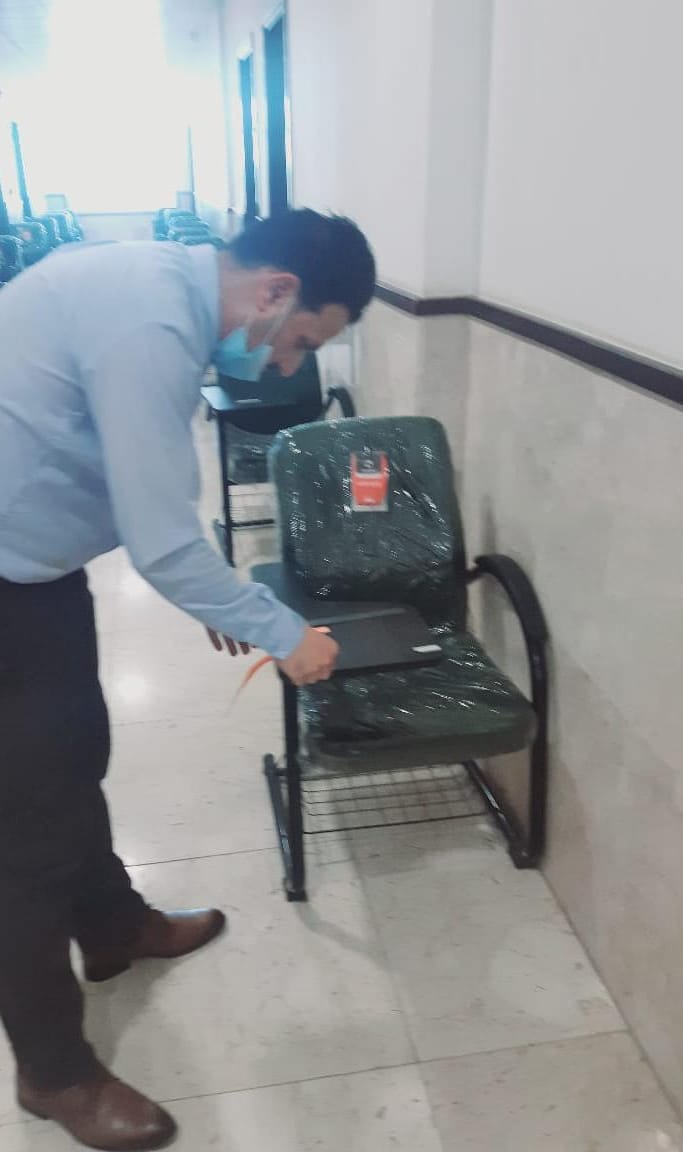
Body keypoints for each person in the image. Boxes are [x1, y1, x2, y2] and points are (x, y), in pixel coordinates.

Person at [0, 209, 376, 1151]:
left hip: (30, 569)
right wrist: (281, 634)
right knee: (23, 836)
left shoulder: (158, 284)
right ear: (275, 291)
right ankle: (53, 1072)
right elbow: (163, 542)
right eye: (301, 342)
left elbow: (155, 500)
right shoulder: (151, 321)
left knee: (72, 754)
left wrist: (222, 599)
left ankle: (113, 925)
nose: (286, 366)